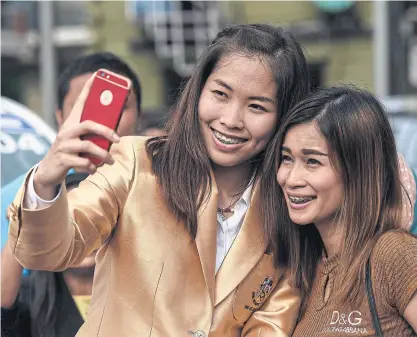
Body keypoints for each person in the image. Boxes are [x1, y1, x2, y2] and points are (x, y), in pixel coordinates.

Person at [7, 24, 311, 336]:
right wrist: (45, 181)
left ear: (284, 116)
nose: (231, 120)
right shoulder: (136, 163)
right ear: (198, 91)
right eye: (220, 94)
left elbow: (272, 325)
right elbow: (45, 252)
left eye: (256, 106)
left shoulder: (287, 212)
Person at [1, 51, 142, 337]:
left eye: (119, 105)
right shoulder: (21, 197)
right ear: (60, 115)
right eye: (85, 106)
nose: (104, 120)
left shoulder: (165, 192)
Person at [265, 85, 417, 336]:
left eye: (312, 161)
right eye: (287, 158)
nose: (291, 179)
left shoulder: (393, 254)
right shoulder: (305, 270)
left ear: (358, 171)